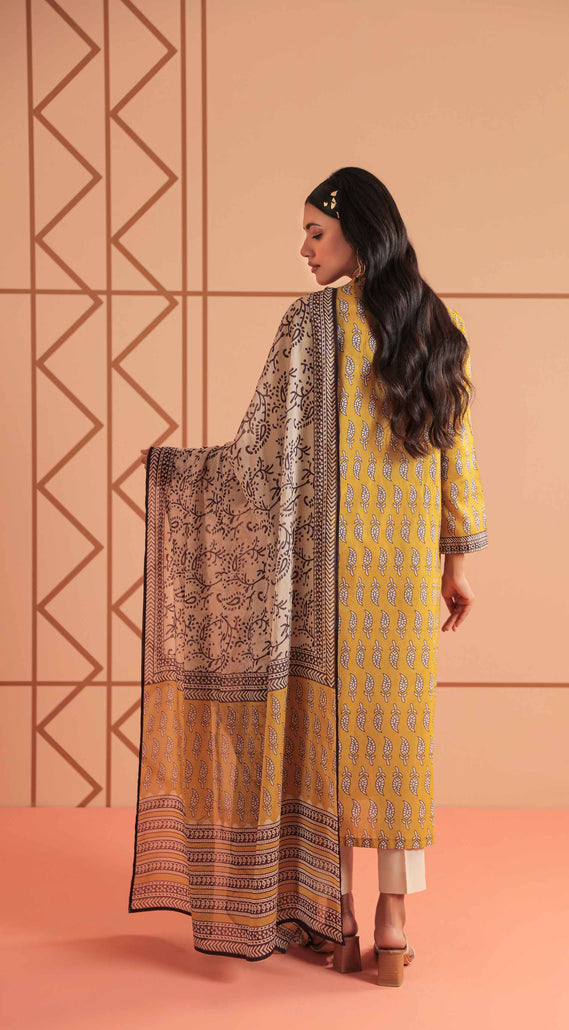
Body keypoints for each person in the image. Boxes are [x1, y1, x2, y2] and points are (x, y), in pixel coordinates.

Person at [135, 166, 487, 988]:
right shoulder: (439, 324)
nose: (303, 248)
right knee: (398, 746)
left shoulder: (309, 325)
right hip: (403, 580)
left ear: (357, 232)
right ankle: (395, 927)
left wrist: (176, 473)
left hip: (322, 584)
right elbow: (456, 451)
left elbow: (259, 456)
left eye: (315, 232)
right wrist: (456, 562)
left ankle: (340, 921)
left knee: (321, 742)